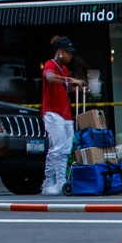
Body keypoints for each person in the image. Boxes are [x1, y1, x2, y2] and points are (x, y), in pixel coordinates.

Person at [38, 37, 85, 194]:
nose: (70, 57)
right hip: (53, 112)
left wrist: (77, 85)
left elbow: (65, 87)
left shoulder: (64, 70)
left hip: (65, 114)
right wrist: (69, 79)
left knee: (65, 149)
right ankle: (48, 183)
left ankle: (60, 181)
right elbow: (49, 78)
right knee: (56, 148)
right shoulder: (50, 65)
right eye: (68, 53)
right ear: (60, 52)